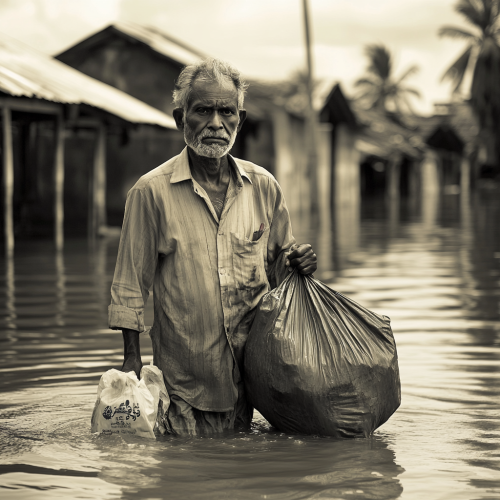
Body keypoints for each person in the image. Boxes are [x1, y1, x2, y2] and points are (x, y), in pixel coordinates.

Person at [108, 58, 317, 436]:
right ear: (180, 118)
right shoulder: (150, 193)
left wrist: (299, 263)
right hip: (183, 383)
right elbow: (130, 285)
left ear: (240, 119)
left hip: (253, 381)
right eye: (203, 110)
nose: (216, 123)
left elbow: (280, 277)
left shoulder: (264, 187)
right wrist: (130, 359)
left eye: (227, 112)